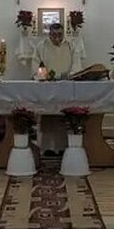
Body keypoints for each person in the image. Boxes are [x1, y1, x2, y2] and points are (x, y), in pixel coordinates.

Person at [31, 23, 82, 156]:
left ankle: (64, 147)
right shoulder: (41, 46)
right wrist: (42, 76)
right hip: (47, 86)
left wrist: (71, 75)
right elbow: (36, 64)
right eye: (54, 35)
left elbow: (76, 64)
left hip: (66, 85)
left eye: (60, 34)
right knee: (48, 117)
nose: (57, 38)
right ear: (49, 34)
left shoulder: (71, 45)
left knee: (64, 115)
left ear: (63, 34)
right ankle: (47, 147)